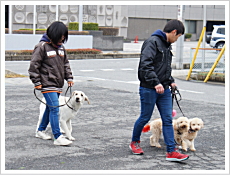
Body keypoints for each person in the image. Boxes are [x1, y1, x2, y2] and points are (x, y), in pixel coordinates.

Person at [129, 19, 189, 161]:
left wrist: (170, 81)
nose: (177, 39)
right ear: (174, 32)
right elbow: (145, 65)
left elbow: (164, 68)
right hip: (149, 88)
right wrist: (156, 83)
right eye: (178, 36)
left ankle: (171, 151)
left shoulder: (167, 46)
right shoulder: (152, 42)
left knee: (167, 119)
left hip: (165, 89)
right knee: (145, 117)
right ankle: (135, 142)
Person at [28, 21, 74, 146]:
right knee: (55, 109)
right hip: (47, 84)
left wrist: (69, 78)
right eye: (60, 37)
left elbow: (66, 64)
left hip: (58, 84)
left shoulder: (61, 48)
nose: (62, 39)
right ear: (53, 35)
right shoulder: (42, 46)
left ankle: (40, 130)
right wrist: (36, 81)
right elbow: (34, 66)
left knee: (50, 108)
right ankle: (58, 137)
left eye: (64, 37)